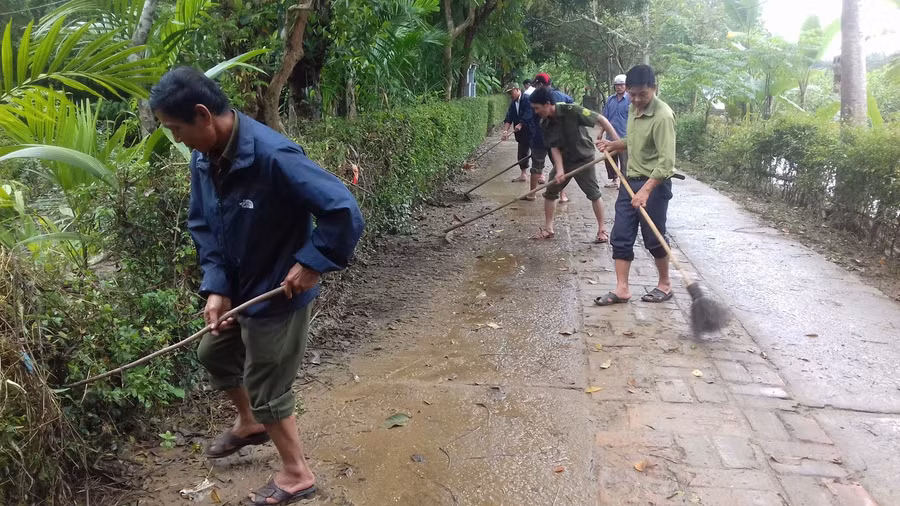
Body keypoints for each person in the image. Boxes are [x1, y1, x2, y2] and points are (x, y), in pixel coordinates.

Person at [149, 67, 365, 505]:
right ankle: (250, 424)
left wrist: (312, 263)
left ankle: (296, 474)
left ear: (202, 115)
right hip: (239, 289)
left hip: (278, 293)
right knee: (215, 353)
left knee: (267, 381)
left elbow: (343, 210)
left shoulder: (273, 156)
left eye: (175, 129)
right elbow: (204, 226)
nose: (175, 140)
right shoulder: (204, 157)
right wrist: (217, 286)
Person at [595, 65, 676, 306]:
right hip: (630, 182)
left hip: (655, 185)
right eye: (632, 94)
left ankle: (665, 284)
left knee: (654, 237)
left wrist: (646, 190)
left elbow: (666, 162)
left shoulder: (663, 116)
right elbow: (635, 140)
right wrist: (613, 145)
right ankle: (622, 289)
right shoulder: (632, 108)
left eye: (643, 94)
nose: (637, 99)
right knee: (620, 235)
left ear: (654, 88)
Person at [528, 87, 620, 242]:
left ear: (548, 103)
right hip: (565, 160)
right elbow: (554, 147)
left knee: (594, 193)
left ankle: (602, 230)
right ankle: (548, 228)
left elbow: (600, 119)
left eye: (537, 108)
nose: (536, 112)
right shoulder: (545, 123)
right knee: (550, 192)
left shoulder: (572, 110)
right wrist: (560, 170)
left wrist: (617, 142)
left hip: (584, 158)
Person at [525, 72, 575, 201]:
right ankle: (562, 195)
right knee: (560, 167)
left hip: (540, 137)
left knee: (537, 165)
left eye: (536, 84)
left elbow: (532, 118)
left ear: (541, 84)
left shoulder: (537, 98)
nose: (534, 87)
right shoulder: (564, 96)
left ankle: (532, 194)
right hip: (559, 139)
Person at [602, 74, 630, 189]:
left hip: (624, 136)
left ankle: (623, 182)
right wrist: (600, 132)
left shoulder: (630, 100)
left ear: (626, 86)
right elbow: (605, 118)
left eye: (621, 85)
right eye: (617, 85)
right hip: (610, 137)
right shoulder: (610, 100)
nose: (619, 87)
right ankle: (614, 179)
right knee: (609, 159)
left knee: (624, 161)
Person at [501, 85, 533, 182]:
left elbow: (529, 113)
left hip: (532, 131)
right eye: (508, 93)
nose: (510, 95)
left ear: (518, 90)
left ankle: (540, 175)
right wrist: (505, 131)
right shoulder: (513, 103)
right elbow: (509, 117)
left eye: (511, 92)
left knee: (537, 152)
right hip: (521, 134)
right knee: (522, 153)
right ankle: (523, 174)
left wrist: (521, 124)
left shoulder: (528, 99)